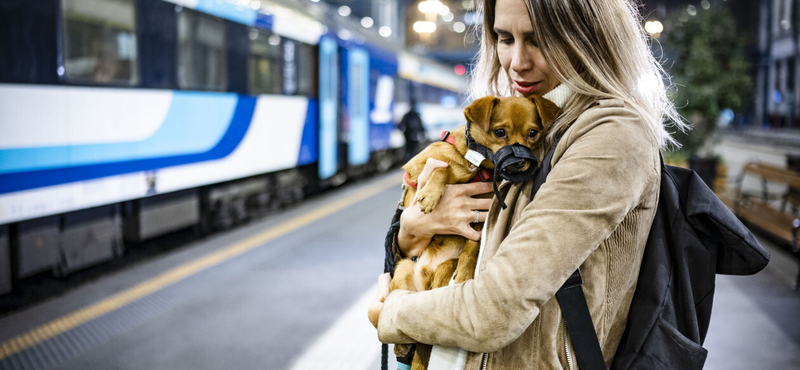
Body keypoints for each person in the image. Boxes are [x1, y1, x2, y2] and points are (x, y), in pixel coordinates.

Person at [368, 0, 686, 368]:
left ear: (588, 37)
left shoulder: (611, 136)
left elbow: (495, 309)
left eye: (538, 39)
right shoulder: (530, 123)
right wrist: (410, 230)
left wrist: (390, 313)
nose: (517, 61)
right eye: (504, 38)